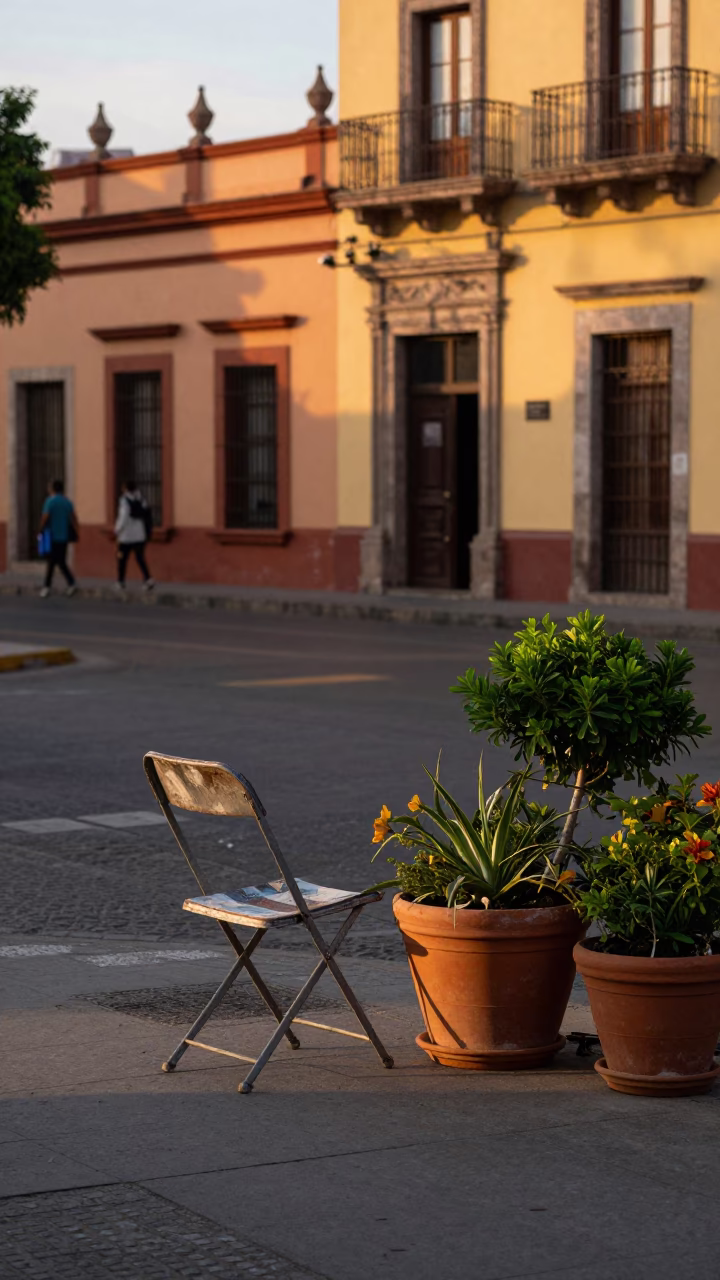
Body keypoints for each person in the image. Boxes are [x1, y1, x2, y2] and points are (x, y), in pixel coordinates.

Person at [39, 479, 79, 598]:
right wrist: (77, 531)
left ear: (53, 489)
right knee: (60, 561)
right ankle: (71, 583)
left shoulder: (49, 502)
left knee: (52, 562)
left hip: (52, 536)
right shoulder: (67, 502)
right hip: (64, 536)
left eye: (49, 487)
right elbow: (73, 518)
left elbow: (45, 517)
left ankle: (46, 587)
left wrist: (40, 529)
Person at [115, 479, 155, 591]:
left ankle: (120, 581)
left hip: (126, 536)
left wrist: (117, 530)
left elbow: (123, 517)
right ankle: (148, 579)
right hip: (140, 535)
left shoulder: (124, 500)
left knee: (121, 559)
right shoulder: (141, 499)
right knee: (140, 558)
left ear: (125, 488)